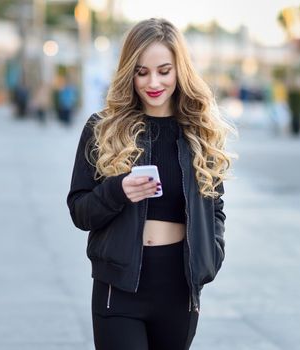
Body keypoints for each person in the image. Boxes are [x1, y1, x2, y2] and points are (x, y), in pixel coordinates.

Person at [66, 18, 236, 350]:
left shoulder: (199, 133)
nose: (153, 82)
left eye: (164, 70)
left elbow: (216, 210)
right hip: (119, 289)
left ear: (180, 70)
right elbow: (79, 212)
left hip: (178, 289)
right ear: (129, 72)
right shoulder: (103, 128)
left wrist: (210, 257)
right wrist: (117, 191)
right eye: (141, 72)